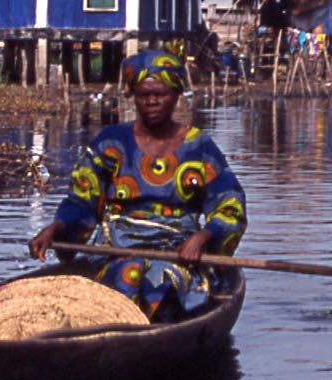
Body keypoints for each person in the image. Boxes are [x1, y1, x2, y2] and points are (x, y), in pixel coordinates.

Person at [29, 49, 247, 320]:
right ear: (134, 96)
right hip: (117, 249)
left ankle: (150, 329)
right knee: (128, 273)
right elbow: (82, 200)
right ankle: (118, 327)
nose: (152, 102)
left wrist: (202, 237)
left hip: (178, 252)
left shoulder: (198, 146)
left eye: (161, 95)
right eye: (144, 95)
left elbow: (229, 202)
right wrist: (56, 228)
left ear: (176, 96)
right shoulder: (111, 143)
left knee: (161, 282)